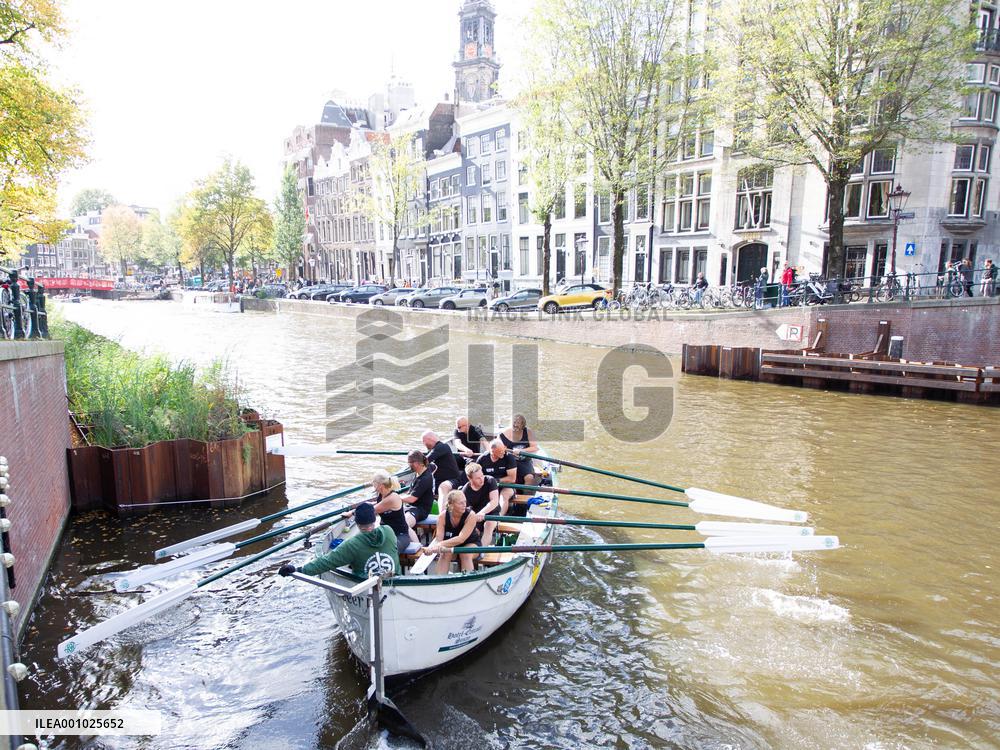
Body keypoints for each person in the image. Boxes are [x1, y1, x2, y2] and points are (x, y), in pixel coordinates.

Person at [277, 501, 399, 578]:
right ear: (375, 519)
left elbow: (326, 562)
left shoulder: (352, 545)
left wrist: (298, 570)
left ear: (357, 523)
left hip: (366, 589)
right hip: (395, 583)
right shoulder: (389, 531)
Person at [423, 489, 482, 574]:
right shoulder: (442, 517)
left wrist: (438, 545)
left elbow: (460, 539)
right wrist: (432, 548)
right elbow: (439, 539)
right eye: (460, 503)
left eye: (465, 502)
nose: (464, 505)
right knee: (444, 553)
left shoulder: (471, 515)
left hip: (471, 544)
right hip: (451, 545)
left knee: (465, 554)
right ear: (451, 505)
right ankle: (440, 582)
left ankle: (467, 582)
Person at [458, 462, 501, 547]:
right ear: (469, 479)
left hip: (492, 513)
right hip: (475, 516)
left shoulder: (490, 480)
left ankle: (481, 551)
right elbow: (465, 510)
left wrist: (482, 512)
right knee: (473, 530)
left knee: (488, 525)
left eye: (482, 476)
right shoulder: (465, 490)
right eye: (478, 478)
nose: (482, 479)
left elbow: (494, 501)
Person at [370, 469, 411, 554]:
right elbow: (375, 505)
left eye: (373, 482)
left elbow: (371, 510)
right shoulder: (381, 495)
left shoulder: (393, 497)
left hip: (400, 535)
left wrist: (351, 513)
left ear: (380, 485)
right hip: (384, 534)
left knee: (388, 552)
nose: (372, 484)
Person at [399, 450, 435, 543]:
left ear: (417, 463)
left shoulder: (425, 478)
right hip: (412, 507)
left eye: (410, 463)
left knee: (404, 525)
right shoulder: (419, 472)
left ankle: (419, 549)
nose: (409, 465)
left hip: (420, 509)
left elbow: (412, 499)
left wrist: (396, 498)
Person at [422, 430, 461, 506]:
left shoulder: (442, 447)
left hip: (453, 480)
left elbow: (425, 461)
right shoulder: (434, 449)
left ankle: (442, 512)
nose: (424, 444)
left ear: (430, 439)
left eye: (424, 441)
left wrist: (414, 458)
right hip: (438, 481)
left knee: (442, 486)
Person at [476, 439, 517, 511]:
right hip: (488, 486)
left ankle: (499, 518)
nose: (504, 452)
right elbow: (476, 476)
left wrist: (496, 480)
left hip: (506, 486)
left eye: (504, 449)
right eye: (501, 451)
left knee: (504, 496)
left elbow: (512, 479)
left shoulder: (509, 457)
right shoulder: (482, 459)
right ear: (492, 451)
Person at [499, 414, 538, 489]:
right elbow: (499, 449)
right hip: (509, 461)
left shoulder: (528, 432)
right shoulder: (503, 434)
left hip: (524, 461)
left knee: (529, 478)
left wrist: (522, 450)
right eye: (514, 422)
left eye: (518, 423)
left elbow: (535, 447)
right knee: (507, 478)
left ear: (523, 425)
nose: (515, 425)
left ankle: (526, 497)